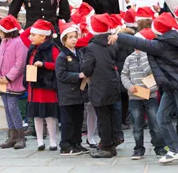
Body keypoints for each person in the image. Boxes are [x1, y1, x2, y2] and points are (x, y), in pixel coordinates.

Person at [108, 12, 178, 165]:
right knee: (161, 117)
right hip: (171, 85)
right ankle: (175, 150)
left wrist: (120, 36)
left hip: (177, 85)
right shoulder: (170, 40)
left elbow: (142, 44)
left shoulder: (163, 44)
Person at [121, 28, 166, 159]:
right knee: (137, 125)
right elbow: (124, 75)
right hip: (134, 97)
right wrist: (129, 87)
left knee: (155, 124)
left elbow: (152, 74)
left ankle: (159, 147)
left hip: (150, 95)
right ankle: (138, 148)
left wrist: (146, 55)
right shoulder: (129, 58)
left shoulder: (151, 58)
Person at [81, 14, 122, 158]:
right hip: (112, 83)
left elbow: (87, 69)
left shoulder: (91, 47)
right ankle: (112, 142)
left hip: (99, 86)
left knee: (103, 117)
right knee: (111, 114)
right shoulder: (113, 43)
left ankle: (106, 146)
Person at [0, 15, 27, 150]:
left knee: (13, 107)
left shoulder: (18, 43)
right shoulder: (3, 42)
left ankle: (20, 136)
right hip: (2, 81)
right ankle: (12, 136)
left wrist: (8, 77)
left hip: (13, 82)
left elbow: (20, 63)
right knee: (7, 108)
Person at [25, 20, 60, 151]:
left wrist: (44, 65)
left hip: (47, 86)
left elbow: (58, 65)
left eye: (34, 34)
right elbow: (24, 36)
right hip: (33, 86)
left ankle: (52, 140)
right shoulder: (32, 48)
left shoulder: (53, 48)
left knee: (49, 115)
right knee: (37, 115)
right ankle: (39, 140)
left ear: (43, 36)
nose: (30, 37)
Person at [55, 22, 88, 156]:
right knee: (68, 121)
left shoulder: (78, 53)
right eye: (70, 37)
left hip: (79, 94)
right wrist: (78, 75)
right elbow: (61, 75)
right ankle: (65, 145)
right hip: (67, 94)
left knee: (78, 119)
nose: (74, 39)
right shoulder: (62, 56)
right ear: (64, 40)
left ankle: (76, 143)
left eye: (75, 36)